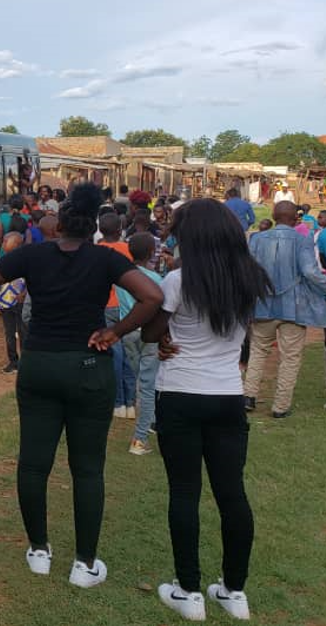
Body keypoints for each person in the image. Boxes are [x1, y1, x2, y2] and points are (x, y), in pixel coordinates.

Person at [0, 181, 163, 588]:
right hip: (89, 367)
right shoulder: (106, 259)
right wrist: (115, 332)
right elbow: (152, 296)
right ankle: (85, 564)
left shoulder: (32, 254)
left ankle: (39, 551)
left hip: (39, 365)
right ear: (94, 226)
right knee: (88, 469)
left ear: (58, 225)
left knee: (33, 463)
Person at [142, 199, 272, 622]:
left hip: (180, 392)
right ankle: (234, 592)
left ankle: (188, 591)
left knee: (184, 492)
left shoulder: (178, 281)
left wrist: (164, 337)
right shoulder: (249, 277)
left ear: (191, 236)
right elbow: (237, 333)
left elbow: (151, 332)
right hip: (227, 395)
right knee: (232, 493)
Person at [242, 200, 326, 417]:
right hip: (294, 307)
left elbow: (248, 272)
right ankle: (280, 407)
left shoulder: (257, 239)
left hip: (263, 305)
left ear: (273, 216)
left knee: (258, 351)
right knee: (290, 357)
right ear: (296, 219)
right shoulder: (302, 239)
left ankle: (248, 397)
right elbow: (310, 272)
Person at [119, 233, 164, 456]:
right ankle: (140, 438)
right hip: (149, 334)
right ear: (151, 253)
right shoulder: (156, 279)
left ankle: (150, 420)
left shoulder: (123, 277)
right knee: (147, 386)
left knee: (140, 381)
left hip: (127, 333)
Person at [97, 213, 136, 419]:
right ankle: (130, 402)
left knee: (116, 355)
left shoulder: (96, 251)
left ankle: (119, 402)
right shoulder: (128, 249)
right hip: (127, 305)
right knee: (127, 355)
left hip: (106, 305)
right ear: (120, 229)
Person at [0, 231, 28, 373]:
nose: (3, 244)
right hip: (6, 301)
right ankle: (13, 362)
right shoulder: (4, 259)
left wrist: (24, 293)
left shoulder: (26, 260)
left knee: (23, 333)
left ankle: (25, 363)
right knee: (9, 333)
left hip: (20, 302)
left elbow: (32, 279)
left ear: (16, 244)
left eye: (5, 241)